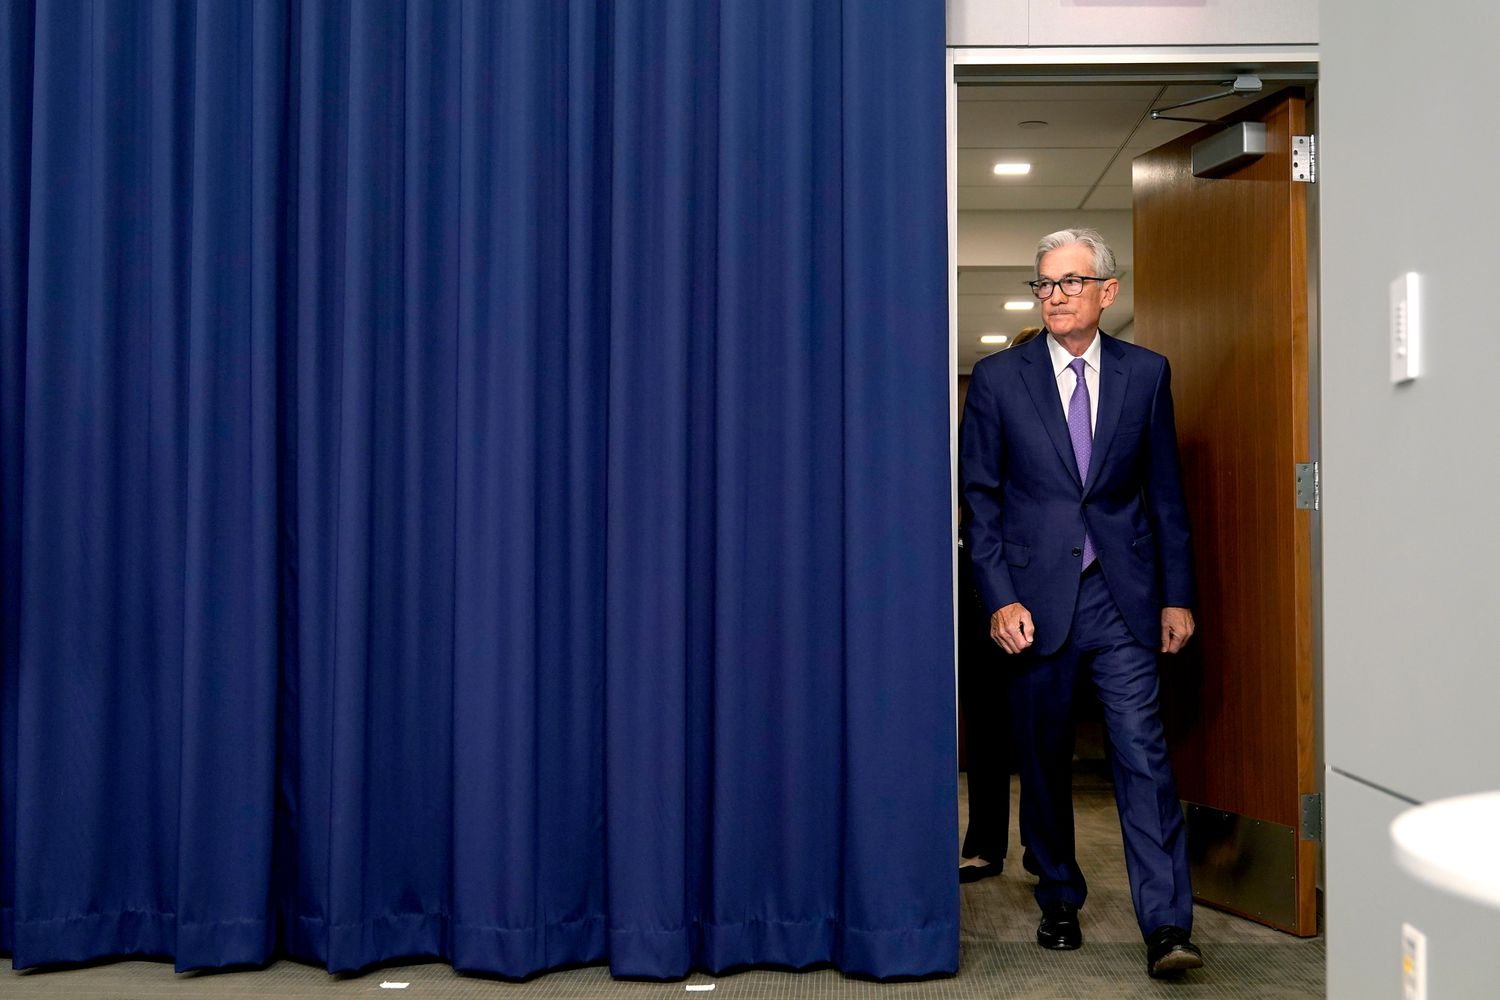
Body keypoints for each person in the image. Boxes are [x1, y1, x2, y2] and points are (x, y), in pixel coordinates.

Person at [958, 228, 1203, 979]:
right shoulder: (999, 380)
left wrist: (1177, 597)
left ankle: (1167, 926)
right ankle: (1059, 894)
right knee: (1044, 756)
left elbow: (1164, 495)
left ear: (1107, 291)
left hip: (1123, 599)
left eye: (1070, 282)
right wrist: (998, 600)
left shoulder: (1146, 374)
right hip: (1034, 604)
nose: (1055, 297)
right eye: (1044, 285)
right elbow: (981, 502)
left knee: (1143, 757)